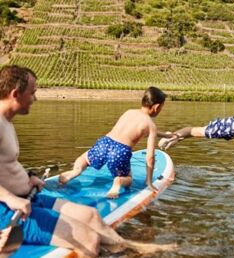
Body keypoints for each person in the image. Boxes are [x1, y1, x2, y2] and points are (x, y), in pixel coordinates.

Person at [0, 65, 175, 256]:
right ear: (15, 94)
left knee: (91, 215)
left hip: (27, 197)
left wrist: (28, 177)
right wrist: (10, 198)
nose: (35, 98)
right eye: (32, 93)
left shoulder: (6, 121)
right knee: (89, 238)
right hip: (8, 210)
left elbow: (5, 164)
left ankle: (131, 248)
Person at [59, 86, 177, 198]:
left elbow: (135, 130)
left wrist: (165, 135)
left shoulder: (129, 112)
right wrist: (149, 181)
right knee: (129, 178)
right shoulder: (150, 125)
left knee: (84, 158)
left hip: (104, 143)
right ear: (156, 107)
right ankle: (118, 182)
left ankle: (75, 171)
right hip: (120, 152)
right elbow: (150, 157)